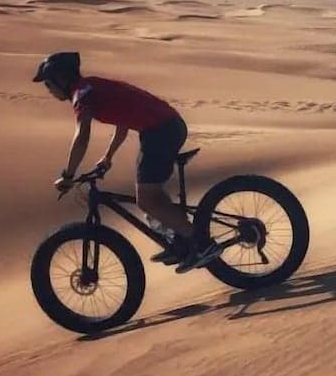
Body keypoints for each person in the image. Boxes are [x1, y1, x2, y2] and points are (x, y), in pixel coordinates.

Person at [33, 51, 220, 273]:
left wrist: (68, 175)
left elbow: (82, 135)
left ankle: (201, 245)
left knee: (147, 199)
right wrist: (108, 157)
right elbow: (122, 121)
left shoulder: (82, 95)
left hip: (161, 131)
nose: (48, 90)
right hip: (162, 128)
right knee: (152, 194)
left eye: (48, 84)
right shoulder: (91, 87)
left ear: (61, 78)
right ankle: (181, 241)